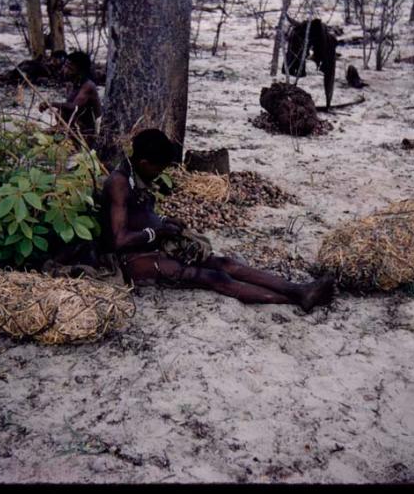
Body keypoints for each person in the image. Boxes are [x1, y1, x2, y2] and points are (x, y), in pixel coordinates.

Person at [99, 129, 335, 312]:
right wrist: (157, 233)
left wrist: (164, 221)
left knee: (225, 264)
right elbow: (120, 240)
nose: (159, 174)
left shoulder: (136, 174)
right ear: (144, 163)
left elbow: (138, 215)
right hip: (131, 259)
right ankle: (294, 299)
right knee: (213, 277)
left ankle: (299, 289)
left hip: (150, 245)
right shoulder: (119, 183)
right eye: (158, 168)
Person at [39, 51, 101, 148]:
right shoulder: (71, 85)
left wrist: (50, 104)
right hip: (69, 129)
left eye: (70, 67)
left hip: (84, 134)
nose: (65, 70)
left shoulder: (88, 86)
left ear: (80, 70)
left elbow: (74, 107)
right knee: (38, 138)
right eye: (66, 66)